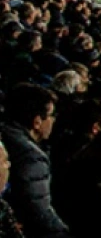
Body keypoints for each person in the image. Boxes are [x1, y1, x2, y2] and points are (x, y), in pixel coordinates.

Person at [0, 83, 70, 236]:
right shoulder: (31, 157)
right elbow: (39, 213)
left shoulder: (5, 134)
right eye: (52, 115)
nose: (53, 120)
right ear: (37, 122)